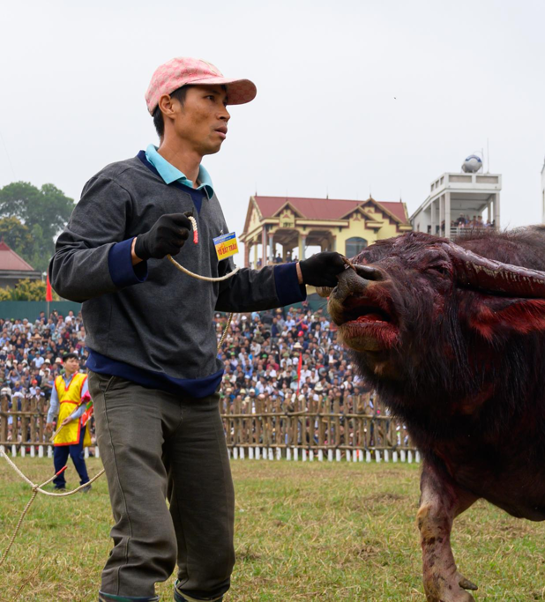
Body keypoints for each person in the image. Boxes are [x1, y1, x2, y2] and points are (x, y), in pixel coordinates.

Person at [49, 57, 348, 602]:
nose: (225, 114)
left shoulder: (208, 201)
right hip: (130, 386)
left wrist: (301, 274)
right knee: (146, 545)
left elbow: (227, 286)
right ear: (168, 106)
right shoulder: (119, 183)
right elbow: (65, 271)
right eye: (210, 99)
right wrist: (137, 248)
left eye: (227, 103)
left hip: (198, 394)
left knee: (212, 559)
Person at [44, 352, 91, 491]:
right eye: (71, 361)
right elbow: (53, 402)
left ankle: (85, 482)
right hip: (62, 420)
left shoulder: (83, 379)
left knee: (76, 455)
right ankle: (59, 484)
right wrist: (49, 420)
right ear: (63, 363)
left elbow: (85, 403)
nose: (75, 363)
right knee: (59, 455)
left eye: (76, 361)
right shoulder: (57, 380)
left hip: (76, 422)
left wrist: (73, 417)